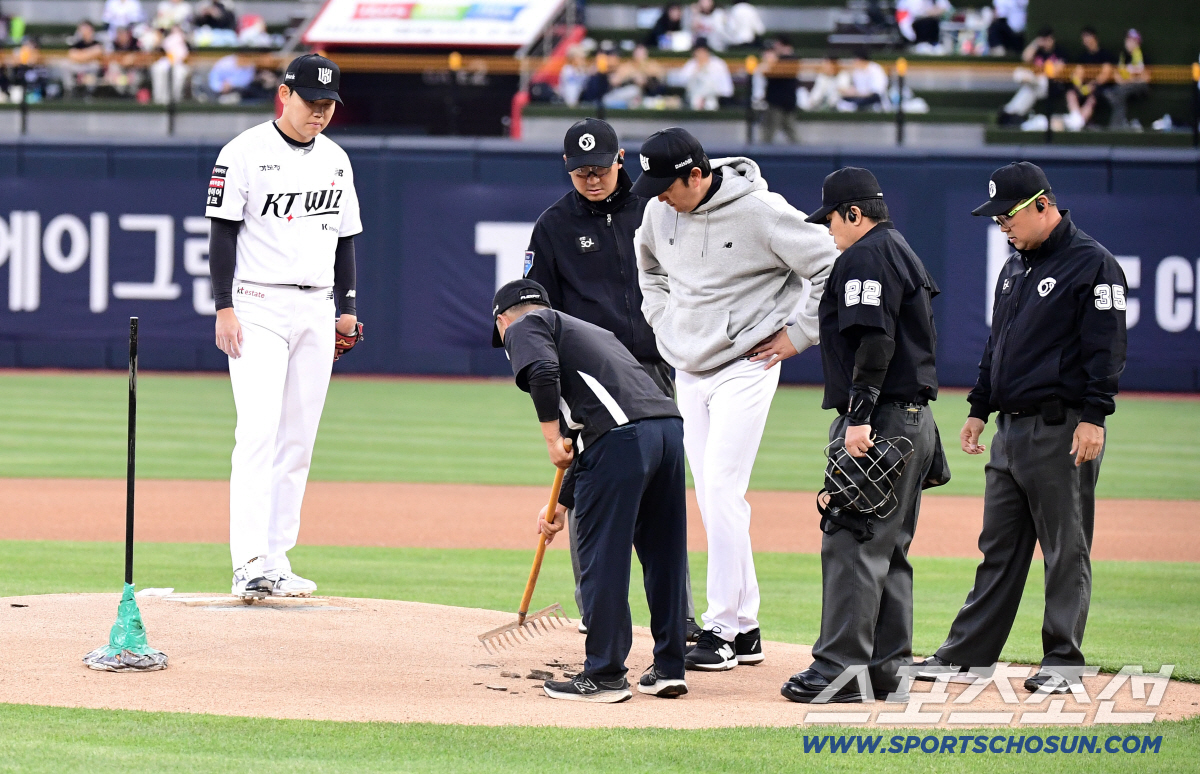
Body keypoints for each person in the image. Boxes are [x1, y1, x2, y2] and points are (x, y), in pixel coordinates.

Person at [914, 162, 1127, 694]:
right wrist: (979, 407)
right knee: (999, 550)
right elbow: (999, 346)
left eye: (1007, 215)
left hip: (1062, 428)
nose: (1001, 226)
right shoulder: (1015, 267)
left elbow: (1107, 350)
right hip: (1009, 432)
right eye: (995, 218)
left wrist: (1095, 416)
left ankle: (1063, 661)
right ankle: (966, 656)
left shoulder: (1093, 265)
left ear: (1041, 205)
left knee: (1065, 548)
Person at [633, 127, 836, 671]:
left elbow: (830, 263)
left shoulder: (762, 212)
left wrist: (798, 334)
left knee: (722, 488)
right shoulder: (658, 212)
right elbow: (648, 269)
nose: (655, 195)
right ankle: (745, 630)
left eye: (664, 184)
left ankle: (721, 628)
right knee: (712, 495)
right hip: (688, 366)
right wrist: (662, 321)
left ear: (696, 175)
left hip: (747, 364)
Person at [524, 118, 701, 642]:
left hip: (653, 366)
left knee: (662, 490)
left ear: (620, 158)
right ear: (566, 169)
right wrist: (554, 395)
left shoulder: (654, 207)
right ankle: (595, 610)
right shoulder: (553, 225)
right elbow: (537, 312)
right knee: (589, 491)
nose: (592, 179)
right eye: (581, 172)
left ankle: (679, 618)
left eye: (600, 168)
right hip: (589, 378)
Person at [780, 167, 945, 703]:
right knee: (889, 548)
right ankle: (885, 669)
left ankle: (838, 671)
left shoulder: (865, 256)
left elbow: (875, 340)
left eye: (831, 218)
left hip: (883, 421)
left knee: (851, 540)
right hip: (912, 419)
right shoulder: (901, 249)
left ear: (854, 213)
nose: (828, 230)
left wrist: (859, 416)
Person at [206, 54, 363, 599]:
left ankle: (276, 557)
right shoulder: (243, 152)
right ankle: (247, 559)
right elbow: (222, 234)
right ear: (284, 95)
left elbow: (345, 240)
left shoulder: (338, 160)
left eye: (327, 105)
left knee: (298, 438)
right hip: (256, 304)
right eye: (311, 102)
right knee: (257, 430)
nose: (319, 113)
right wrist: (223, 306)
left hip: (317, 305)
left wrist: (346, 304)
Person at [492, 278, 689, 703]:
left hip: (621, 438)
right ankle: (671, 668)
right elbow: (586, 439)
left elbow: (543, 374)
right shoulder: (591, 332)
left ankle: (604, 675)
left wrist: (548, 440)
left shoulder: (526, 326)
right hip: (667, 432)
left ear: (502, 320)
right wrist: (562, 506)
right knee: (665, 554)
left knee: (602, 557)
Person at [1065, 27, 1115, 130]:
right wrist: (1079, 86)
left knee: (1092, 98)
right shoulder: (1082, 57)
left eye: (1088, 37)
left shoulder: (1105, 55)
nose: (1086, 41)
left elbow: (1105, 74)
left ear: (1094, 37)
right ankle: (1077, 120)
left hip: (1099, 90)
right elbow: (1077, 74)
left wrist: (1092, 85)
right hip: (1083, 89)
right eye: (1084, 38)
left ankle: (1077, 124)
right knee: (1070, 93)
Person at [1105, 29, 1149, 130]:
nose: (1129, 43)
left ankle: (1116, 126)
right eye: (1127, 40)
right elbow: (1117, 75)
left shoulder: (1143, 56)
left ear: (1137, 42)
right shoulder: (1123, 57)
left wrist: (1129, 80)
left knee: (1119, 92)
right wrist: (1124, 80)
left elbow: (1145, 78)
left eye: (1132, 41)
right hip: (1124, 86)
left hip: (1140, 86)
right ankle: (1121, 123)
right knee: (1113, 92)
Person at [673, 40, 732, 110]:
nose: (700, 54)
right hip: (694, 98)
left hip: (717, 98)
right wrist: (697, 70)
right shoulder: (691, 64)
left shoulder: (718, 64)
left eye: (703, 51)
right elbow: (681, 81)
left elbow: (725, 87)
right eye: (698, 51)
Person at [755, 47, 799, 144]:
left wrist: (771, 63)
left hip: (781, 104)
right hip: (776, 103)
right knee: (770, 131)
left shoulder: (785, 63)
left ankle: (803, 153)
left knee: (772, 130)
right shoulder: (772, 65)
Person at [150, 23, 189, 103]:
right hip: (166, 62)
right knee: (157, 69)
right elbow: (158, 50)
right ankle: (159, 100)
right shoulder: (166, 40)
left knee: (179, 74)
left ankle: (174, 100)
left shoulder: (185, 41)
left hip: (180, 64)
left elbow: (187, 54)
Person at [65, 21, 105, 96]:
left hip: (92, 67)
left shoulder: (97, 42)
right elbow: (72, 54)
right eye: (81, 30)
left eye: (85, 29)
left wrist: (81, 55)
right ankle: (70, 90)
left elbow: (98, 51)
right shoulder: (78, 43)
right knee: (66, 65)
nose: (83, 32)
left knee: (94, 65)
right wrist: (88, 55)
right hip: (79, 66)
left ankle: (90, 93)